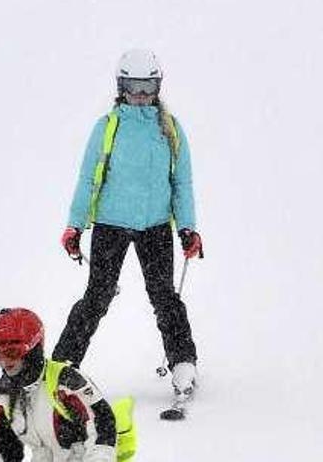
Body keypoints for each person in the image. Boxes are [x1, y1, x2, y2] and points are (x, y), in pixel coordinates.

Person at [55, 49, 203, 402]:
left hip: (154, 227)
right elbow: (88, 178)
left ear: (157, 86)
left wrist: (187, 227)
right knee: (97, 297)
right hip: (110, 224)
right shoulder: (108, 127)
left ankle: (183, 362)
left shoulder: (169, 129)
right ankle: (62, 365)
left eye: (147, 86)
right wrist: (75, 226)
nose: (140, 95)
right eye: (133, 86)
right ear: (120, 87)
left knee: (165, 297)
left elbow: (181, 183)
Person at [0, 308, 135, 462]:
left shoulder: (67, 382)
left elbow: (102, 427)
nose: (4, 361)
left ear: (33, 349)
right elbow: (1, 450)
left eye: (12, 352)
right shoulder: (4, 396)